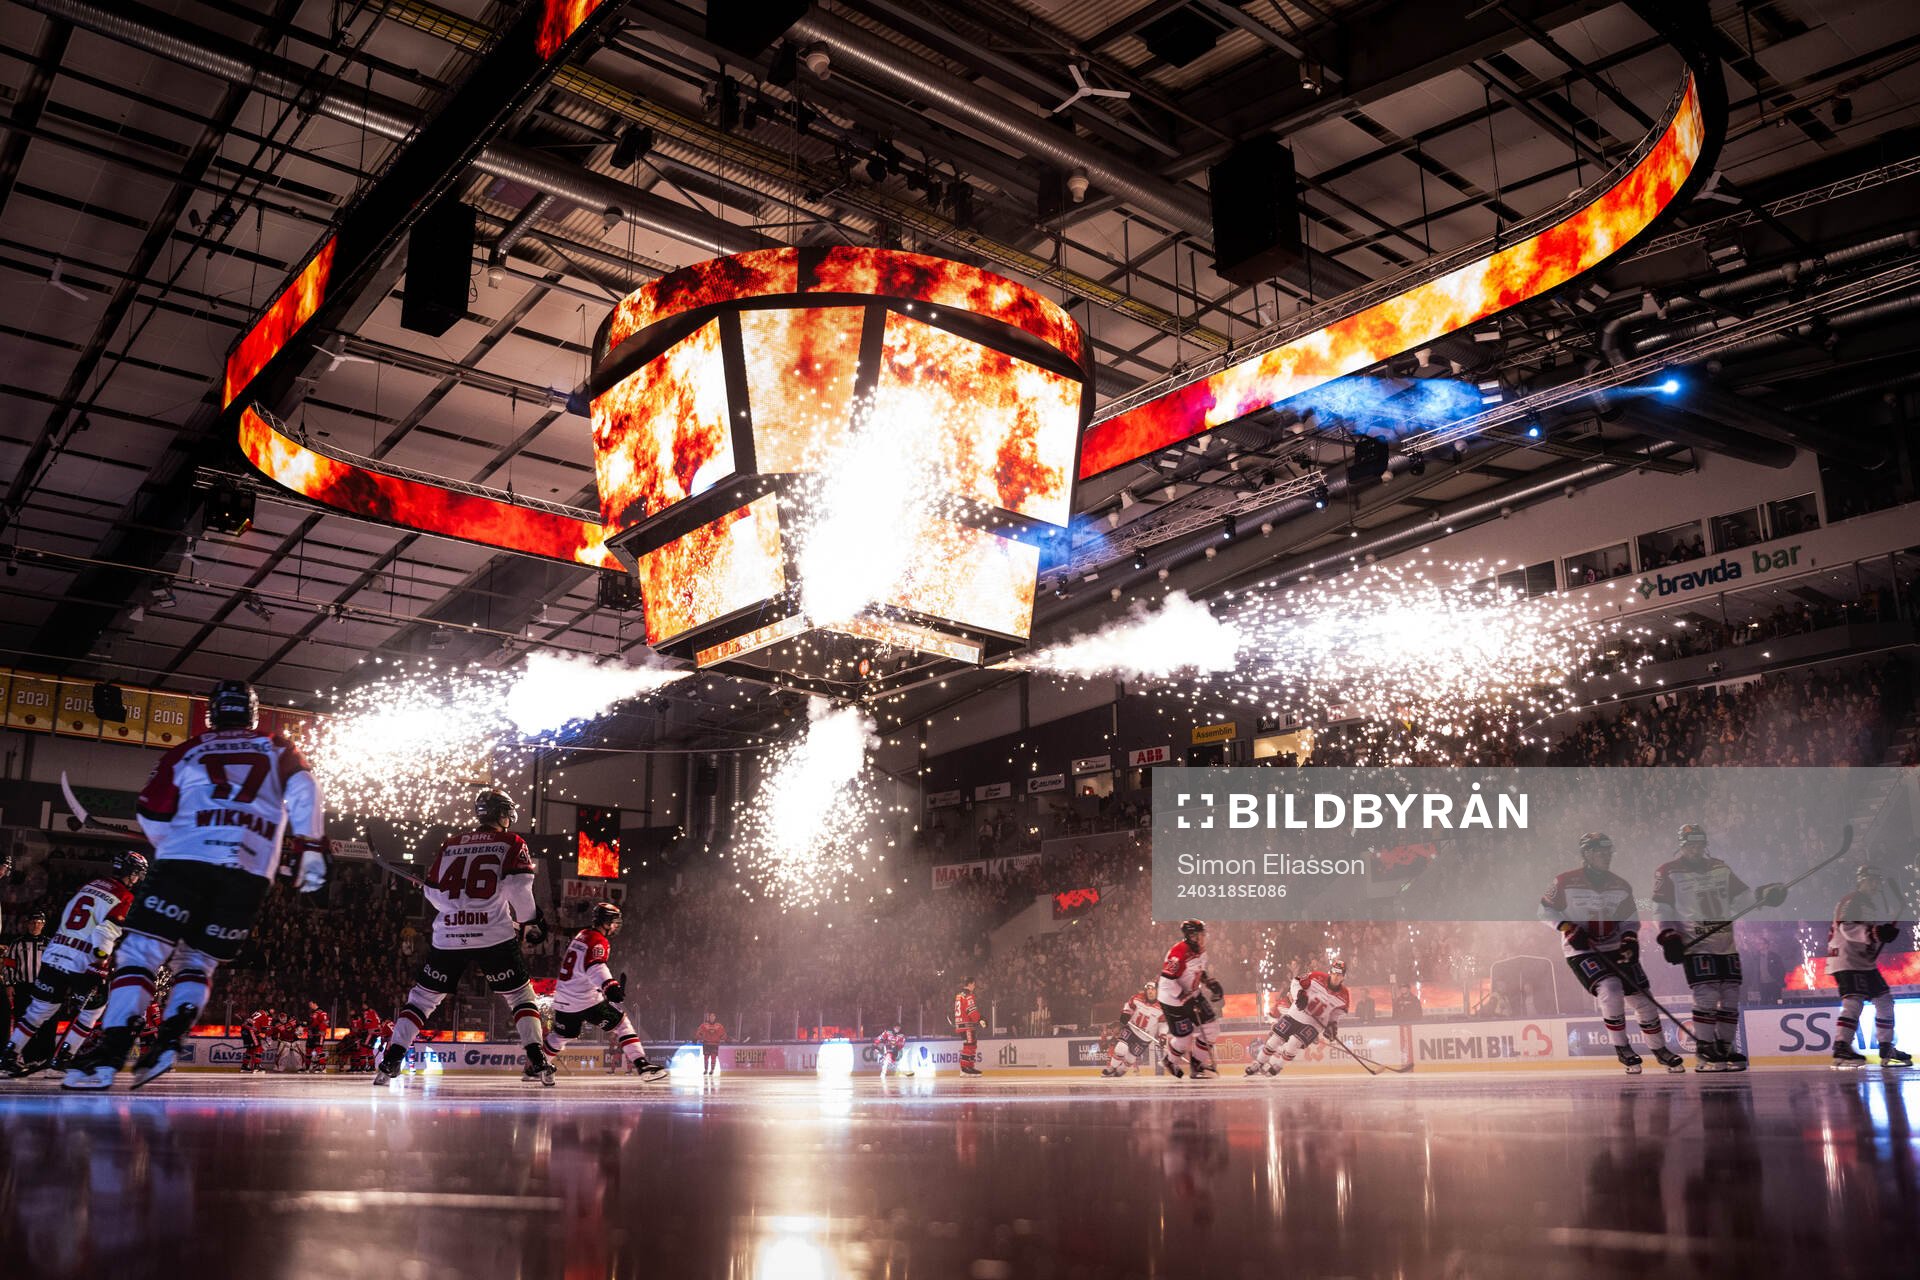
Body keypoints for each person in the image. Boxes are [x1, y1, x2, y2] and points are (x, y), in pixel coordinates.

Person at [64, 680, 328, 1090]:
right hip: (249, 876)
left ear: (213, 713)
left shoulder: (189, 749)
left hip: (185, 861)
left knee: (140, 952)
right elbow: (306, 788)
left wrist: (172, 842)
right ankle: (169, 1042)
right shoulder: (278, 746)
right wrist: (311, 846)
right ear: (252, 713)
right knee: (196, 962)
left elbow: (150, 811)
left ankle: (107, 1058)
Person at [374, 788, 553, 1087]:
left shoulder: (451, 844)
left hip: (449, 933)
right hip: (494, 933)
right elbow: (519, 889)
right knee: (520, 996)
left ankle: (392, 1060)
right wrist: (531, 920)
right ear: (500, 813)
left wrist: (460, 909)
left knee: (422, 999)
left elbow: (432, 892)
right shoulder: (511, 842)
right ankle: (537, 1060)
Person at [1540, 833, 1686, 1075]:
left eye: (1609, 852)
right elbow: (1544, 910)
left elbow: (1630, 920)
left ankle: (1660, 1050)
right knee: (1610, 990)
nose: (1606, 856)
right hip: (1582, 950)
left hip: (1615, 946)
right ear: (1586, 854)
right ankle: (1622, 1047)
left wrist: (1630, 939)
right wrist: (1567, 927)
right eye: (1600, 851)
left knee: (1643, 999)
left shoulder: (1621, 885)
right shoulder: (1564, 881)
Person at [1652, 823, 1786, 1073]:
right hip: (1696, 944)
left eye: (1699, 844)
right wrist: (1668, 936)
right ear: (1681, 846)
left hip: (1726, 943)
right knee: (1706, 997)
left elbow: (1743, 897)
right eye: (1690, 844)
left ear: (1705, 845)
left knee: (1731, 998)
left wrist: (1765, 895)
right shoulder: (1667, 872)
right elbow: (1662, 907)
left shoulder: (1720, 867)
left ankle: (1724, 1048)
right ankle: (1705, 1051)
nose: (1695, 849)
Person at [2, 850, 147, 1077]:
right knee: (93, 1009)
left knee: (39, 1010)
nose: (137, 879)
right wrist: (101, 961)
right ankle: (64, 1057)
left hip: (55, 952)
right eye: (138, 874)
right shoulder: (124, 896)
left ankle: (10, 1053)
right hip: (82, 959)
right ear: (132, 873)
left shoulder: (90, 886)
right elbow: (104, 932)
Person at [540, 903, 667, 1081]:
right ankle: (642, 1065)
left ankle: (536, 1067)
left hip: (563, 997)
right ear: (606, 922)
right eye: (614, 921)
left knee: (561, 1036)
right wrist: (610, 986)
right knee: (622, 1024)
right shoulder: (599, 940)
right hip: (585, 999)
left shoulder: (582, 935)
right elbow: (595, 965)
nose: (616, 925)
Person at [1827, 864, 1912, 1067]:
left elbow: (1868, 932)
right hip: (1847, 960)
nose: (1875, 885)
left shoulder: (1867, 903)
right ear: (1861, 880)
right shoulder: (1852, 900)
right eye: (1871, 880)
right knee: (1853, 1002)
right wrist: (1875, 934)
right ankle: (1842, 1047)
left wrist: (1879, 935)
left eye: (1877, 881)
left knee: (1884, 1000)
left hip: (1863, 962)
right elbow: (1846, 927)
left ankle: (1886, 1047)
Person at [1247, 958, 1350, 1077]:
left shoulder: (1344, 995)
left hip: (1315, 1024)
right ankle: (1258, 1063)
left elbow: (1336, 1013)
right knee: (1275, 1039)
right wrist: (1299, 995)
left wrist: (1332, 1026)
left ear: (1344, 976)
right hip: (1296, 1013)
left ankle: (1278, 1065)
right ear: (1330, 971)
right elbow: (1296, 982)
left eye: (1339, 974)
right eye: (1334, 972)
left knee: (1294, 1043)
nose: (1336, 976)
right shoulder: (1316, 976)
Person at [1157, 919, 1222, 1079]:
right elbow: (1166, 981)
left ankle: (1197, 1065)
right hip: (1172, 1000)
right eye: (1199, 935)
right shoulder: (1177, 953)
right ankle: (1170, 1060)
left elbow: (1199, 971)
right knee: (1184, 1039)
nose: (1203, 937)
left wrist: (1211, 984)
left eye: (1203, 934)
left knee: (1212, 1028)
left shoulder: (1201, 950)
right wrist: (1183, 998)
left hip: (1192, 993)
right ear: (1191, 936)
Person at [1102, 982, 1164, 1077]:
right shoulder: (1137, 998)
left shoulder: (1162, 1007)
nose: (1150, 992)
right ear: (1145, 991)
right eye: (1148, 990)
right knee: (1120, 1048)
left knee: (1130, 1059)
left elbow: (1163, 1024)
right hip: (1131, 1029)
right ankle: (1112, 1067)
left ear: (1157, 991)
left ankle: (1121, 1070)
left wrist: (1162, 1035)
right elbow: (1128, 1006)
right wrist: (1125, 1013)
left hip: (1145, 1037)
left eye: (1153, 990)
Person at [953, 978, 984, 1076]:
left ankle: (969, 1067)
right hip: (967, 1025)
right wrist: (980, 1019)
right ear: (970, 984)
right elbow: (971, 1011)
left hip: (961, 1024)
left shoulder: (959, 995)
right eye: (974, 985)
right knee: (969, 1045)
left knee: (972, 1044)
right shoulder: (968, 996)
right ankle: (965, 1068)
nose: (974, 987)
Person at [695, 1010, 727, 1076]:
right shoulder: (704, 1025)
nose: (712, 1017)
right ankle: (706, 1070)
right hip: (706, 1044)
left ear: (715, 1017)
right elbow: (699, 1032)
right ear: (709, 1017)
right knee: (706, 1057)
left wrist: (725, 1039)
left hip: (715, 1044)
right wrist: (697, 1038)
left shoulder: (719, 1026)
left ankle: (712, 1070)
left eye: (713, 1016)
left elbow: (723, 1034)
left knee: (713, 1057)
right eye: (711, 1016)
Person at [240, 1007, 271, 1073]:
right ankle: (257, 1066)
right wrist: (265, 1035)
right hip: (251, 1030)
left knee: (250, 1049)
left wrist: (259, 1033)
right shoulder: (265, 1016)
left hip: (244, 1029)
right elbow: (264, 1029)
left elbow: (254, 1022)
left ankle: (244, 1066)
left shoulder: (258, 1012)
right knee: (258, 1048)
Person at [303, 1000, 329, 1073]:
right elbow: (310, 1023)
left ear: (315, 1003)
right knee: (308, 1050)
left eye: (310, 1004)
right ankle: (307, 1068)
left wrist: (321, 1031)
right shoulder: (312, 1013)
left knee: (318, 1049)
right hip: (311, 1034)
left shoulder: (322, 1013)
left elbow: (325, 1023)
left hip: (319, 1034)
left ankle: (323, 1067)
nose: (309, 1006)